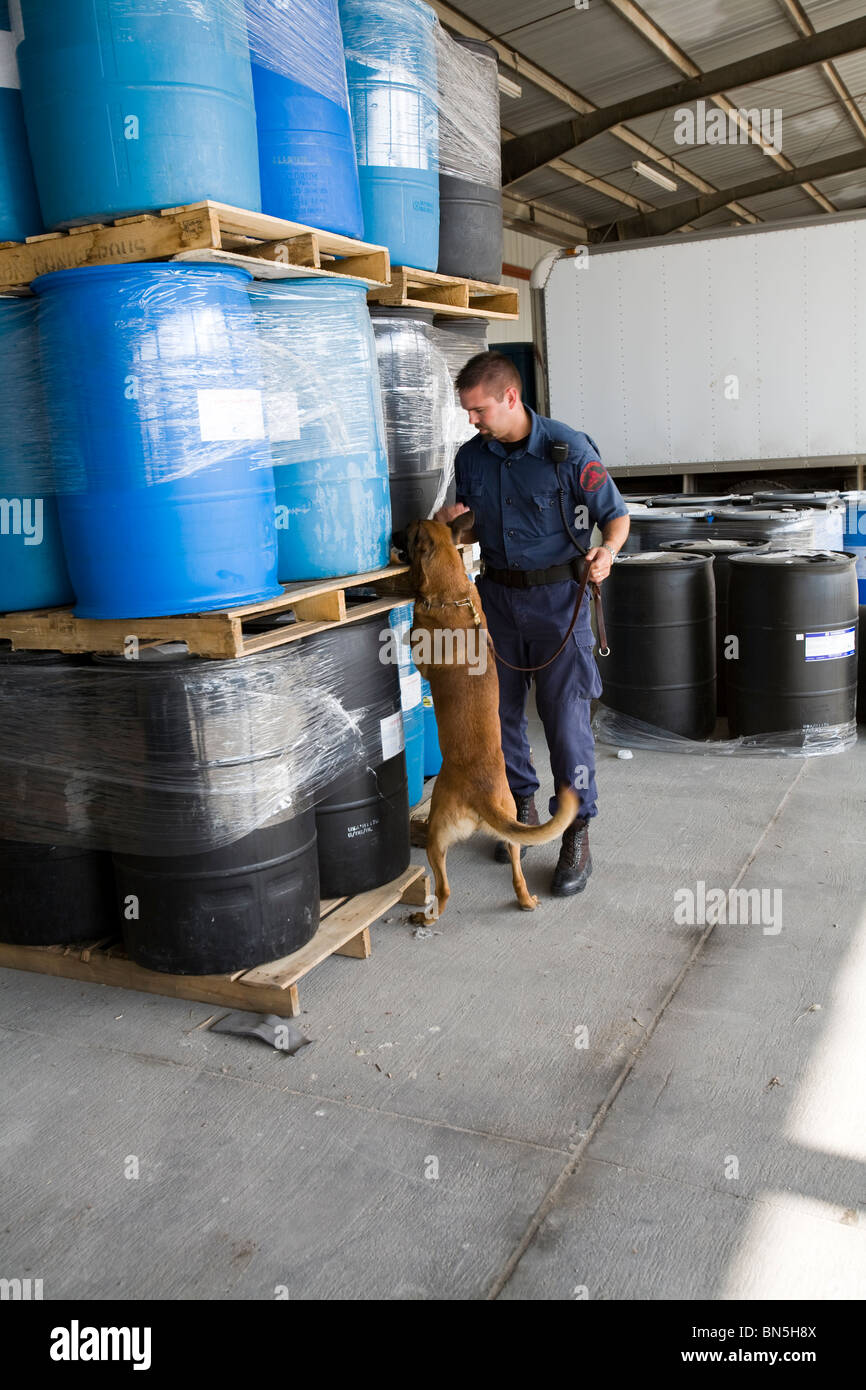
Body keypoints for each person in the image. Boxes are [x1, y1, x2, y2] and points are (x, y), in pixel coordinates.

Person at [435, 351, 630, 897]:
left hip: (560, 602)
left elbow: (616, 516)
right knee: (499, 718)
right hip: (496, 600)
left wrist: (607, 552)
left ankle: (575, 827)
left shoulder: (568, 451)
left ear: (510, 398)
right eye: (468, 412)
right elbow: (478, 524)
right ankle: (519, 808)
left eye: (479, 410)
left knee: (565, 720)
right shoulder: (472, 459)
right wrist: (457, 527)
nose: (472, 421)